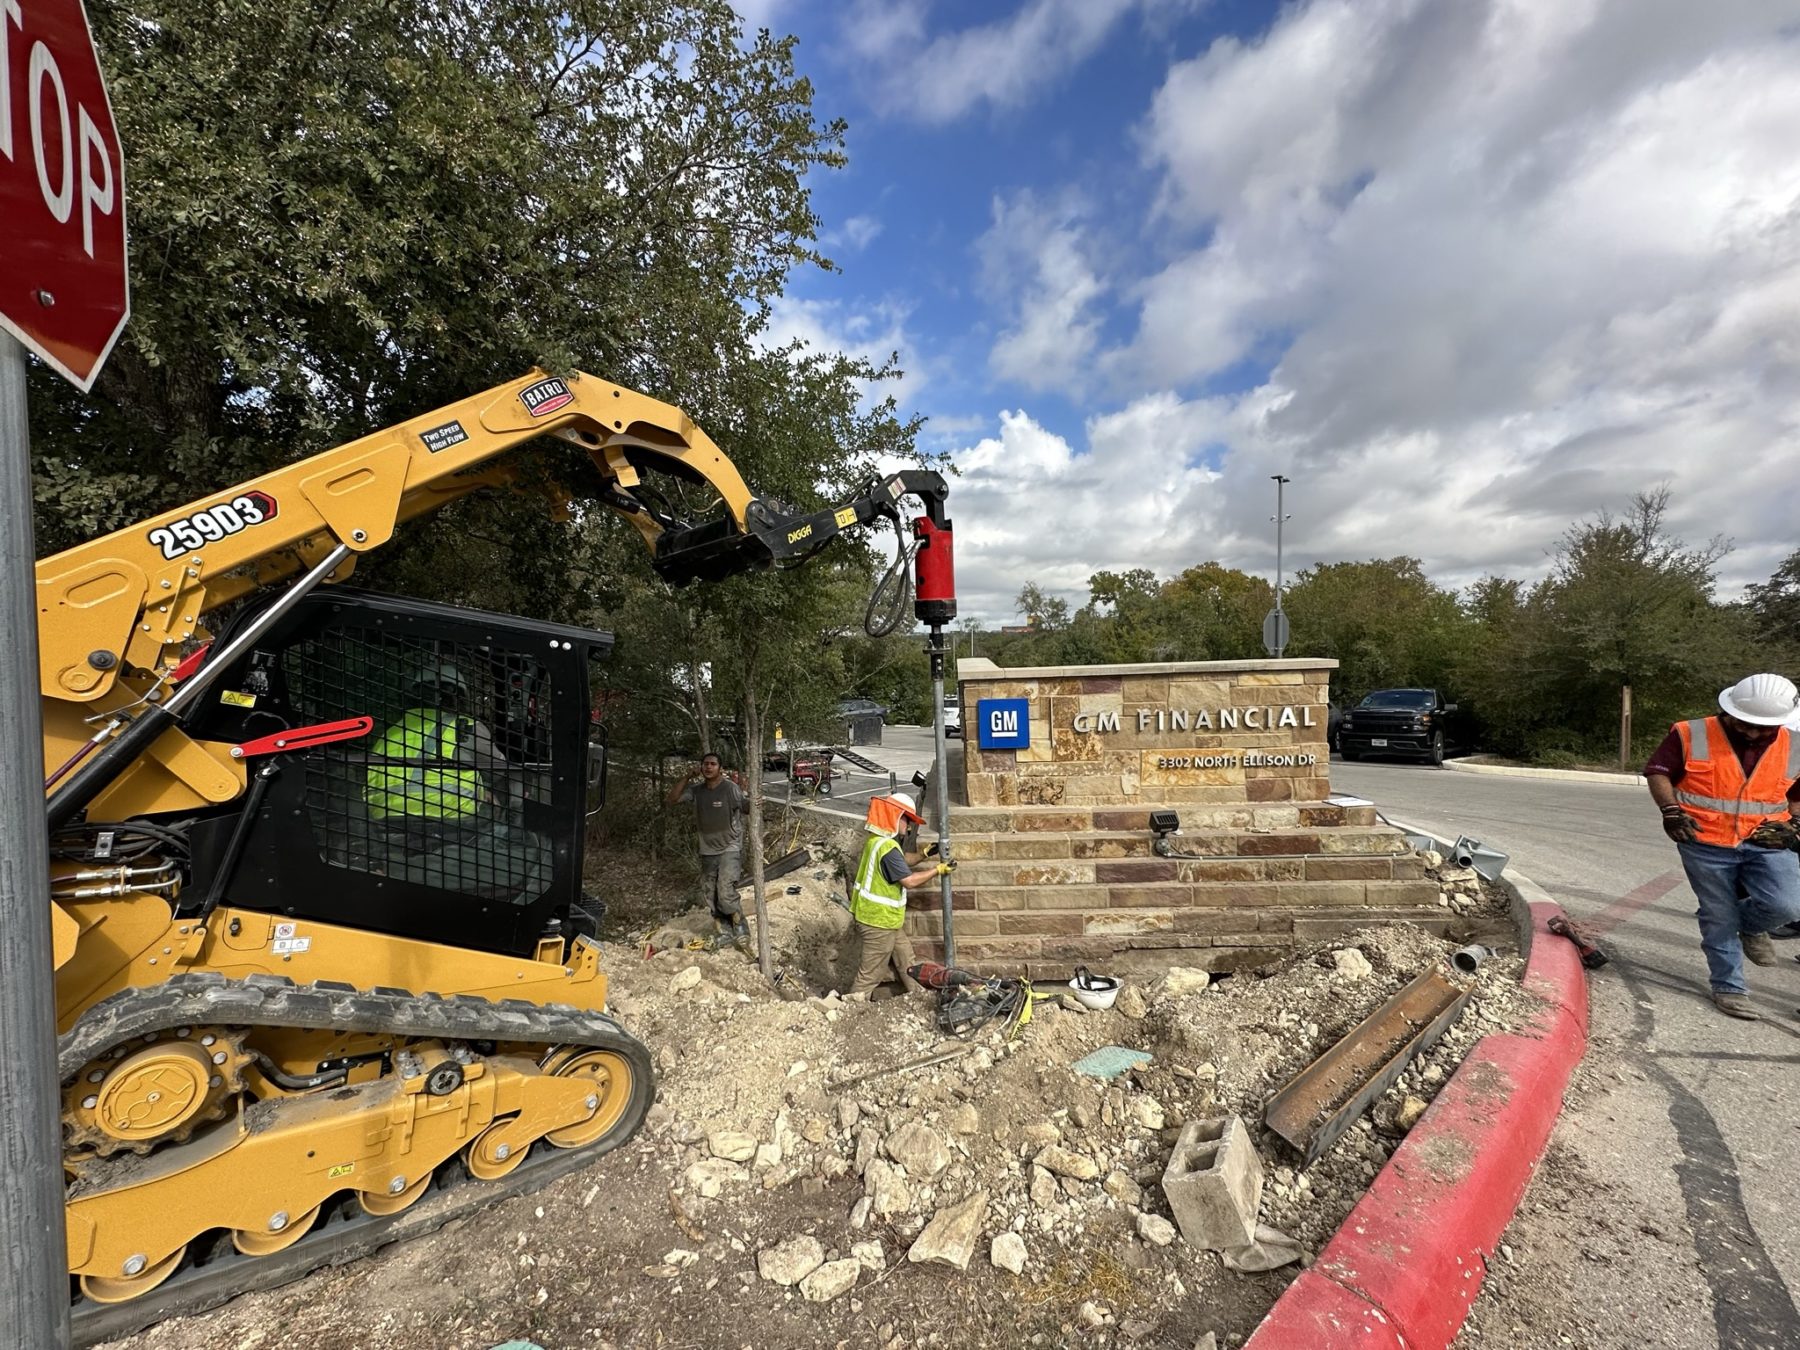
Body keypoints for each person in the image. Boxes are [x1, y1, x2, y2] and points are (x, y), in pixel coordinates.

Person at [1644, 672, 1800, 1020]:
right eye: (1745, 723)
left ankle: (1750, 925)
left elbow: (1797, 793)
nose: (1753, 732)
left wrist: (1797, 828)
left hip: (1767, 840)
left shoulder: (1795, 744)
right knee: (1718, 913)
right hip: (1704, 841)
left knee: (1788, 906)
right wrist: (1671, 811)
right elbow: (1658, 772)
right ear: (1729, 710)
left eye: (1763, 727)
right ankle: (1729, 987)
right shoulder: (1690, 733)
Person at [365, 663, 550, 903]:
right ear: (458, 697)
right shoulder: (466, 728)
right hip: (450, 823)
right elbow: (500, 771)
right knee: (507, 839)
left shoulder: (389, 732)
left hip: (386, 823)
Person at [844, 791, 953, 1000]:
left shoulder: (878, 842)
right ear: (895, 816)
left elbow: (902, 862)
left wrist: (923, 855)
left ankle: (918, 997)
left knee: (906, 959)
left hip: (884, 919)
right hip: (878, 921)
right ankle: (850, 1009)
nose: (909, 826)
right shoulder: (887, 848)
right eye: (907, 819)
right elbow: (908, 880)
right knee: (871, 974)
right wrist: (937, 870)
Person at [665, 752, 751, 951]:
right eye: (705, 764)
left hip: (730, 846)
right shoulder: (697, 791)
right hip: (707, 849)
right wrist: (687, 777)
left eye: (713, 764)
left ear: (720, 768)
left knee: (726, 890)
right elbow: (671, 800)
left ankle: (740, 926)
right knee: (710, 893)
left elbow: (745, 807)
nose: (708, 767)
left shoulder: (730, 788)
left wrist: (753, 800)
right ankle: (724, 930)